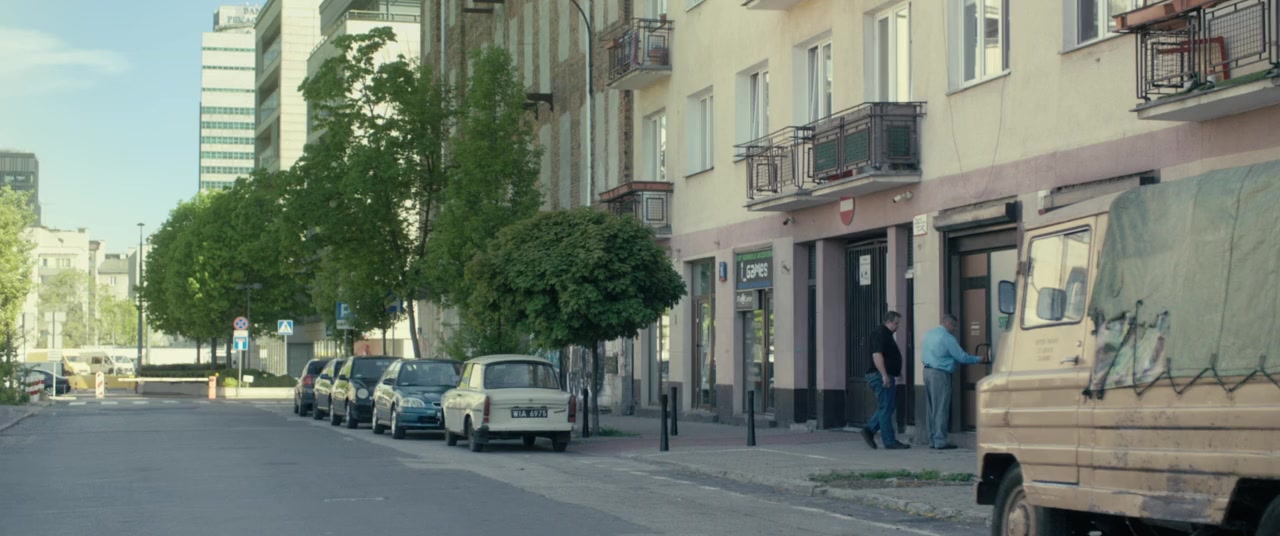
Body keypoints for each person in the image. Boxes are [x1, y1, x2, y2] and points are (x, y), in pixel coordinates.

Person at [921, 313, 987, 450]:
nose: (955, 329)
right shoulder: (947, 337)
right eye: (954, 326)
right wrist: (978, 359)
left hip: (927, 372)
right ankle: (940, 441)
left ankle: (932, 439)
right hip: (940, 373)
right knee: (941, 408)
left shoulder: (929, 334)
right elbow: (961, 357)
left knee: (931, 408)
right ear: (947, 323)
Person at [862, 311, 910, 450]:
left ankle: (870, 429)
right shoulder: (881, 333)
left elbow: (888, 356)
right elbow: (877, 355)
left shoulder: (886, 334)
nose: (898, 326)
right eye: (896, 323)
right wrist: (884, 375)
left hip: (884, 374)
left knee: (888, 406)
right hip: (879, 375)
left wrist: (896, 371)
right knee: (886, 407)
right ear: (888, 322)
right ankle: (889, 441)